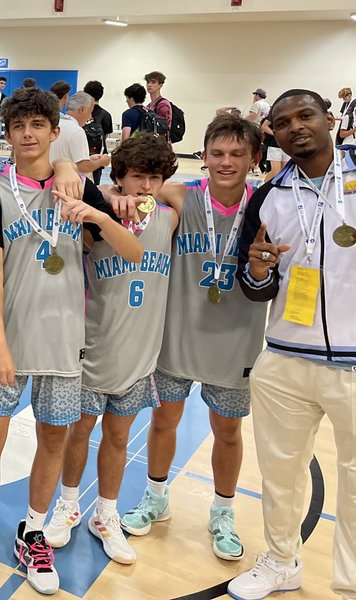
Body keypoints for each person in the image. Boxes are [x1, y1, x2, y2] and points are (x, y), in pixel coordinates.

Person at [0, 86, 141, 597]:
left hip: (64, 343)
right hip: (9, 343)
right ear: (7, 134)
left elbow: (131, 251)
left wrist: (97, 216)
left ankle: (33, 532)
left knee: (54, 440)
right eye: (18, 126)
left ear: (55, 131)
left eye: (38, 125)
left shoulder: (78, 187)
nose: (28, 134)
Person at [228, 88, 356, 600]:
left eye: (305, 115)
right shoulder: (268, 195)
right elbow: (253, 287)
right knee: (280, 476)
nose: (296, 127)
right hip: (285, 358)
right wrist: (257, 269)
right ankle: (281, 562)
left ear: (329, 118)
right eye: (283, 122)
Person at [112, 114, 266, 568]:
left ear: (254, 158)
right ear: (204, 156)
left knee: (228, 431)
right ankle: (156, 497)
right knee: (164, 421)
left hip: (236, 340)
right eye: (217, 153)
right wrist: (110, 191)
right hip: (177, 336)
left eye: (237, 154)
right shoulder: (179, 195)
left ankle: (223, 512)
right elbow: (122, 188)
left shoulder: (266, 205)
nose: (226, 162)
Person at [44, 135, 178, 565]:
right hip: (94, 347)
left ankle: (106, 513)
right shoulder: (96, 217)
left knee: (119, 437)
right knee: (80, 430)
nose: (145, 186)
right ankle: (68, 504)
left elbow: (189, 191)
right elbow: (69, 177)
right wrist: (102, 193)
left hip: (140, 354)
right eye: (136, 176)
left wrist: (124, 192)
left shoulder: (170, 217)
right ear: (120, 177)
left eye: (153, 178)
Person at [51, 92, 110, 176]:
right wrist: (102, 161)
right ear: (82, 109)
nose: (90, 117)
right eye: (90, 112)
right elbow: (83, 166)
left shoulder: (55, 124)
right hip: (67, 180)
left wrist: (88, 159)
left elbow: (64, 156)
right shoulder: (77, 131)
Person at [84, 80, 113, 184]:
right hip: (99, 155)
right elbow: (105, 136)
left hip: (83, 154)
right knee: (95, 185)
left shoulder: (82, 112)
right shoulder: (106, 115)